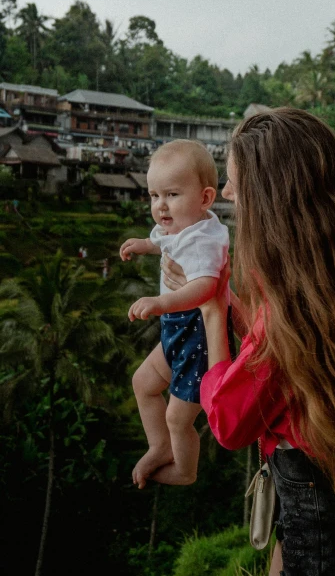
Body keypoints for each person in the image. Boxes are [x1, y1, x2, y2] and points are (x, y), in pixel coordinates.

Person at [162, 109, 335, 576]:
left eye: (234, 183)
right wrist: (227, 295)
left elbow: (229, 422)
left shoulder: (288, 314)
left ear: (270, 199)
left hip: (318, 532)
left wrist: (211, 310)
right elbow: (277, 358)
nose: (227, 195)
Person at [119, 139, 229, 489]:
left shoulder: (204, 240)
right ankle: (159, 446)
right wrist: (145, 245)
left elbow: (207, 287)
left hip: (198, 335)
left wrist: (162, 302)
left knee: (178, 417)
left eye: (172, 195)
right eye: (154, 196)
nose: (160, 206)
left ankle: (184, 469)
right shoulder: (180, 227)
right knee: (143, 383)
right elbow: (164, 242)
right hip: (176, 328)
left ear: (206, 199)